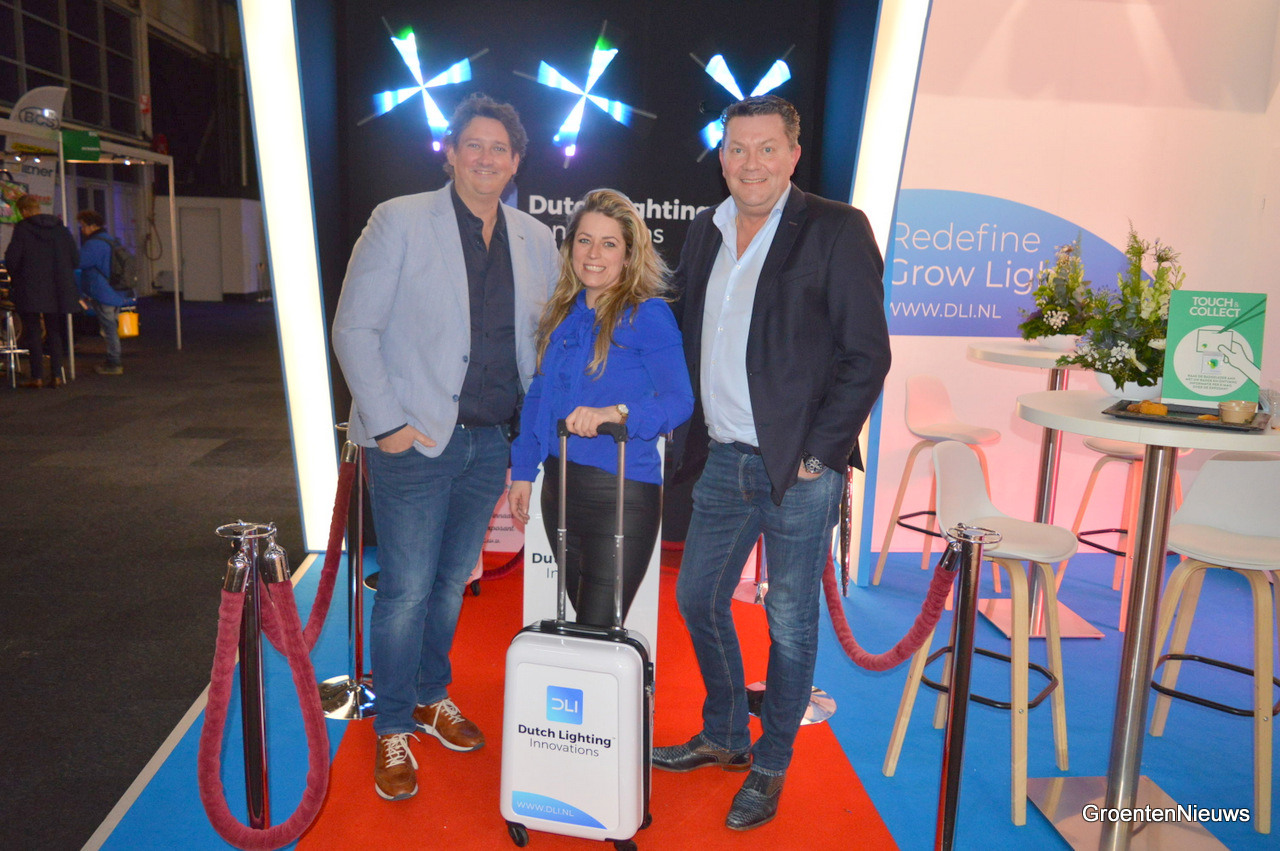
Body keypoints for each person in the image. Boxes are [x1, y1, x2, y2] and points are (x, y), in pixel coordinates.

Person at [654, 95, 891, 830]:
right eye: (736, 148)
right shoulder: (705, 228)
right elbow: (681, 326)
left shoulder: (837, 228)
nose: (749, 163)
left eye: (765, 148)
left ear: (793, 155)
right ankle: (725, 732)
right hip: (722, 457)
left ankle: (771, 761)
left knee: (789, 622)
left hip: (800, 470)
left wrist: (821, 452)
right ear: (721, 156)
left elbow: (867, 355)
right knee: (697, 597)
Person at [331, 93, 558, 802]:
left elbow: (548, 342)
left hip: (490, 443)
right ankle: (393, 723)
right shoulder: (398, 220)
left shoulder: (536, 238)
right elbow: (353, 329)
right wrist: (389, 426)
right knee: (404, 589)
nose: (486, 158)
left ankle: (431, 694)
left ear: (516, 162)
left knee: (452, 580)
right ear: (451, 152)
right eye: (474, 145)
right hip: (412, 443)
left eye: (500, 149)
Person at [507, 189, 693, 627]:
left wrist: (619, 413)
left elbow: (679, 400)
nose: (593, 254)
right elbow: (539, 398)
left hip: (620, 496)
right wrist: (523, 472)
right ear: (570, 247)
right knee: (589, 631)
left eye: (609, 243)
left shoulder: (648, 315)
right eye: (584, 240)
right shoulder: (561, 314)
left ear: (628, 255)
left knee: (597, 630)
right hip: (558, 491)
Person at [4, 195, 80, 388]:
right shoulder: (61, 229)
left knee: (33, 332)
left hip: (30, 288)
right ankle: (57, 375)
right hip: (57, 288)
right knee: (54, 331)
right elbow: (75, 259)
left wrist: (18, 276)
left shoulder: (22, 228)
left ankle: (37, 376)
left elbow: (12, 259)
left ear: (24, 211)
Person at [75, 209, 132, 376]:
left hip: (102, 291)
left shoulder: (94, 244)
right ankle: (113, 359)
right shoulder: (111, 240)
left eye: (83, 226)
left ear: (92, 226)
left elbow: (79, 262)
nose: (82, 230)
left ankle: (114, 362)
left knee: (109, 329)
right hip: (116, 291)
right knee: (111, 327)